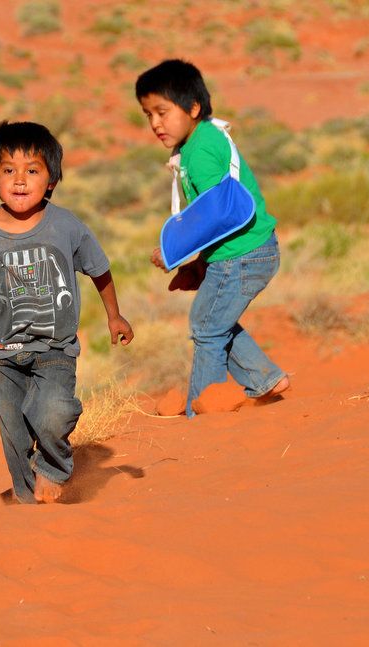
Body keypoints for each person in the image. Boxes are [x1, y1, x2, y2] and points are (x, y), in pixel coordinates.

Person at [0, 121, 134, 504]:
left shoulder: (66, 226)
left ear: (51, 180)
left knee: (52, 412)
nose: (19, 180)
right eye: (8, 171)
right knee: (14, 433)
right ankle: (28, 504)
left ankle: (53, 468)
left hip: (54, 347)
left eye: (32, 170)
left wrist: (114, 315)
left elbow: (99, 268)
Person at [135, 59, 289, 417]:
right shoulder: (200, 140)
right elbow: (219, 217)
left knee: (206, 326)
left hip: (243, 254)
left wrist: (172, 251)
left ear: (193, 108)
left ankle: (203, 411)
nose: (155, 123)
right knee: (213, 322)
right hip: (245, 251)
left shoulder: (201, 149)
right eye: (148, 115)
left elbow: (215, 213)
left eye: (162, 112)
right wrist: (202, 265)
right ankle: (266, 379)